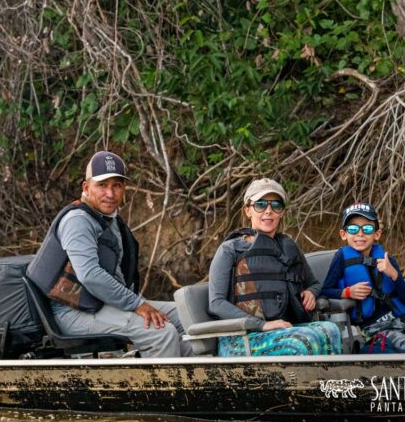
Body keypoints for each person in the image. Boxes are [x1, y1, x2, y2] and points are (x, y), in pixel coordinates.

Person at [27, 150, 192, 358]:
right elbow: (89, 275)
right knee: (161, 333)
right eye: (102, 185)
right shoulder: (77, 221)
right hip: (71, 313)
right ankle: (161, 389)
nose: (111, 193)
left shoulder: (109, 220)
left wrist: (138, 302)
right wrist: (137, 304)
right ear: (86, 187)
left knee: (187, 317)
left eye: (117, 185)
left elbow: (117, 277)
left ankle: (194, 384)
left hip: (100, 304)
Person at [208, 178, 341, 357]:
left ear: (282, 212)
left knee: (331, 330)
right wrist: (261, 325)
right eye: (260, 204)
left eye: (275, 205)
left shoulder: (289, 246)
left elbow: (315, 284)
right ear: (248, 210)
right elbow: (216, 303)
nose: (268, 211)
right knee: (303, 340)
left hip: (284, 329)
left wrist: (311, 292)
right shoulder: (230, 249)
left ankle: (327, 385)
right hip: (242, 338)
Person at [321, 202, 405, 353]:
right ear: (344, 234)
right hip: (376, 327)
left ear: (377, 234)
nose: (360, 234)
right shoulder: (341, 258)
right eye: (353, 229)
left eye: (367, 228)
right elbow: (326, 290)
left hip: (404, 318)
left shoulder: (387, 259)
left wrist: (394, 274)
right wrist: (347, 292)